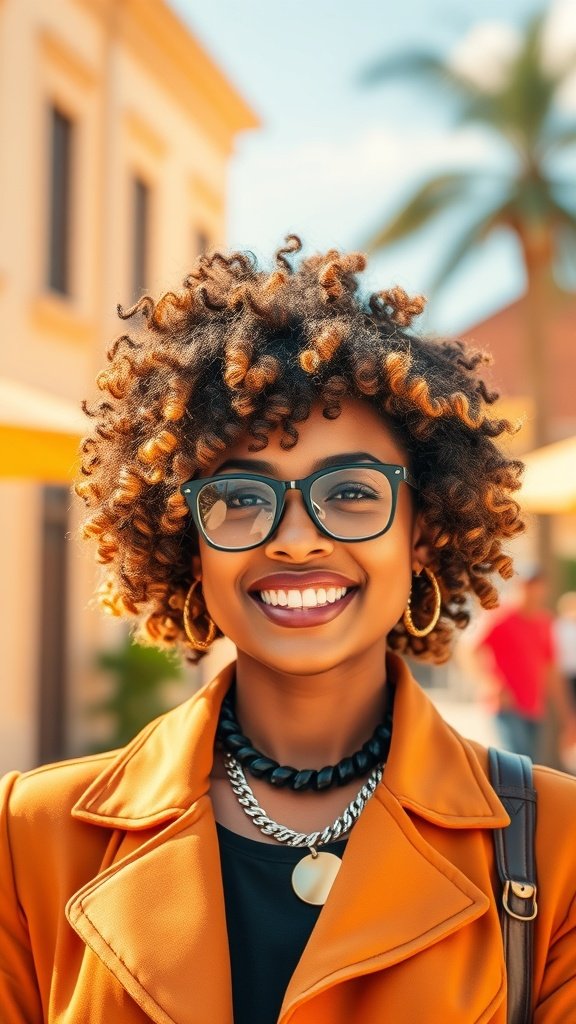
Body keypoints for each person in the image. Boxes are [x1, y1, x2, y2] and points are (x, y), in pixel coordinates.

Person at [1, 237, 576, 1023]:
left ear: (422, 536)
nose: (297, 540)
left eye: (351, 493)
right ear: (186, 545)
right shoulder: (29, 836)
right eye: (241, 498)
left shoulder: (558, 847)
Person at [471, 571, 576, 761]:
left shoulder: (545, 623)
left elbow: (552, 671)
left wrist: (567, 716)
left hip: (535, 708)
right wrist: (488, 683)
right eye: (528, 586)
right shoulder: (500, 617)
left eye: (538, 586)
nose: (534, 591)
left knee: (527, 765)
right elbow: (470, 650)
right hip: (506, 705)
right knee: (514, 762)